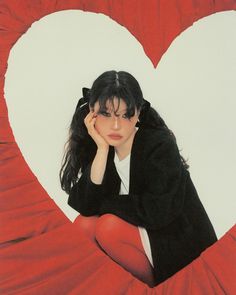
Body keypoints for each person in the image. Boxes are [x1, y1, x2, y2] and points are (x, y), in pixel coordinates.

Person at [60, 70, 217, 287]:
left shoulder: (158, 144)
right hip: (137, 237)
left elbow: (158, 211)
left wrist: (106, 205)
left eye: (126, 115)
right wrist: (102, 150)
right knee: (83, 227)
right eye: (106, 114)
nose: (116, 126)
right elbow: (85, 206)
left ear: (138, 114)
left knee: (108, 227)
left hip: (177, 244)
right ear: (91, 112)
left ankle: (156, 290)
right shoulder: (100, 143)